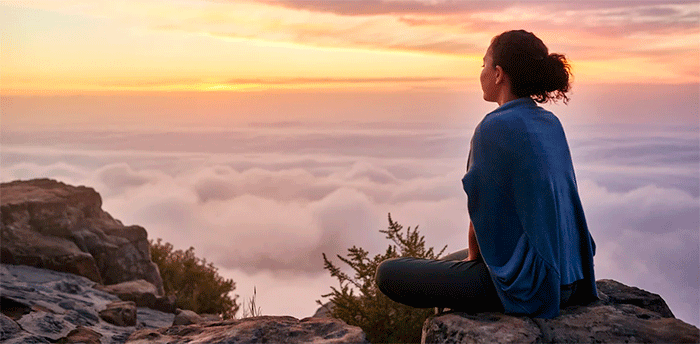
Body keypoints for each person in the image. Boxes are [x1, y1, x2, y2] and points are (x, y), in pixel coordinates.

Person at [375, 30, 598, 318]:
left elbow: (482, 217)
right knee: (445, 262)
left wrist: (473, 262)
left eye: (483, 65)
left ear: (498, 74)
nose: (480, 72)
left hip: (536, 286)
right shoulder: (549, 122)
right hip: (571, 275)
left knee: (389, 273)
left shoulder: (494, 128)